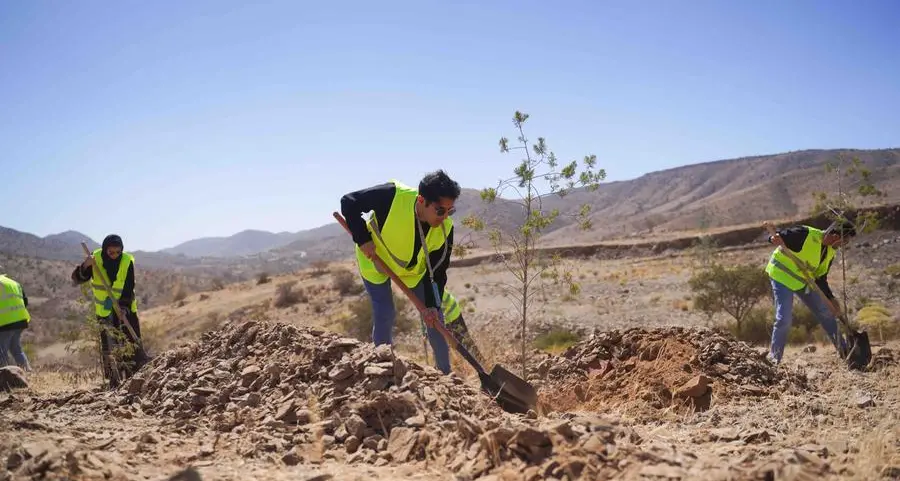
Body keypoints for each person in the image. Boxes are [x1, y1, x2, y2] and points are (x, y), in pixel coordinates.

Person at [340, 170, 460, 374]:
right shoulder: (392, 196)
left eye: (450, 210)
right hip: (374, 259)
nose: (445, 216)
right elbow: (349, 202)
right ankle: (382, 367)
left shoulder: (445, 228)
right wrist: (363, 239)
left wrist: (431, 304)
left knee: (435, 317)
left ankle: (446, 376)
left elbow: (438, 272)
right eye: (440, 210)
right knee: (385, 311)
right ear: (421, 200)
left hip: (411, 272)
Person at [765, 221, 855, 364]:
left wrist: (831, 298)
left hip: (803, 282)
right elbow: (778, 236)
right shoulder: (805, 234)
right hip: (781, 276)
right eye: (845, 240)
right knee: (784, 318)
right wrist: (772, 239)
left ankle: (846, 354)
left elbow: (820, 278)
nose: (845, 244)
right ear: (835, 235)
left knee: (826, 313)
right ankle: (774, 359)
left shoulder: (831, 251)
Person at [71, 234, 149, 383]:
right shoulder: (95, 258)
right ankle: (114, 379)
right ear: (105, 249)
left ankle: (134, 378)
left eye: (117, 252)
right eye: (110, 252)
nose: (114, 255)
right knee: (109, 344)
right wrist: (85, 265)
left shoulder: (126, 261)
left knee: (130, 341)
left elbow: (128, 287)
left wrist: (123, 308)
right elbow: (76, 279)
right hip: (104, 310)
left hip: (124, 308)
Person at [0, 266, 32, 372]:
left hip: (5, 322)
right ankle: (27, 372)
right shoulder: (14, 283)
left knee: (1, 351)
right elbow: (25, 302)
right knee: (16, 349)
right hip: (20, 320)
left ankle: (3, 378)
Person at [441, 289, 485, 364]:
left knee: (464, 343)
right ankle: (480, 363)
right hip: (450, 310)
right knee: (463, 342)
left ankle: (481, 364)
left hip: (450, 314)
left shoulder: (424, 284)